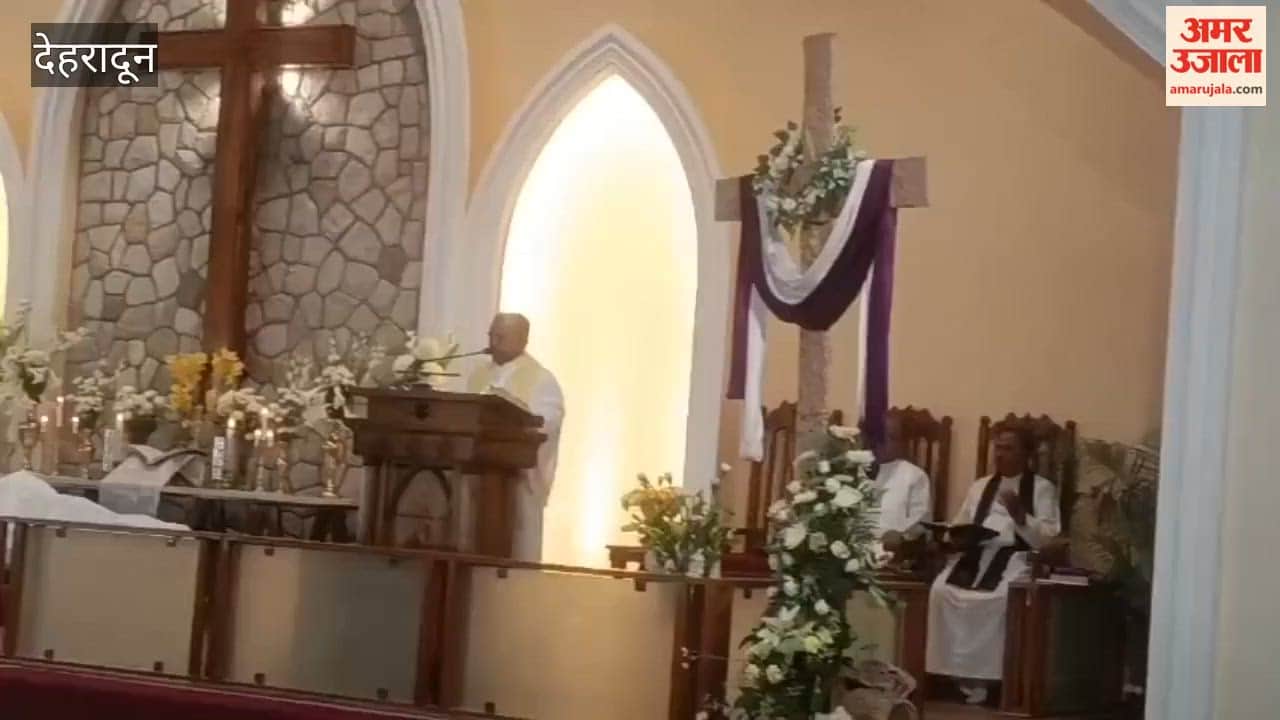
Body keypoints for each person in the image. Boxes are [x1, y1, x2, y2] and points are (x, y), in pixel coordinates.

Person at [925, 428, 1061, 705]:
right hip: (976, 556)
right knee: (940, 591)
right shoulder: (980, 486)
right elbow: (960, 522)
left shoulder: (1042, 488)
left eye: (1008, 448)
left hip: (1015, 557)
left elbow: (1048, 538)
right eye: (997, 447)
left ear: (1026, 453)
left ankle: (992, 679)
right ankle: (950, 676)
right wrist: (955, 535)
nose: (1000, 454)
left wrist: (1021, 517)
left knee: (1000, 598)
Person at [464, 313, 564, 562]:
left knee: (517, 546)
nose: (493, 341)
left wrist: (521, 426)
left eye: (501, 336)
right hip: (475, 471)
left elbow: (547, 422)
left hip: (516, 479)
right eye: (491, 335)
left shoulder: (542, 379)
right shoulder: (478, 374)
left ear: (522, 340)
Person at [871, 414, 933, 543]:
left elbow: (921, 522)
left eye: (891, 437)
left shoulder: (914, 476)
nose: (882, 442)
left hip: (894, 549)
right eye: (878, 436)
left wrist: (897, 538)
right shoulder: (854, 470)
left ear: (900, 442)